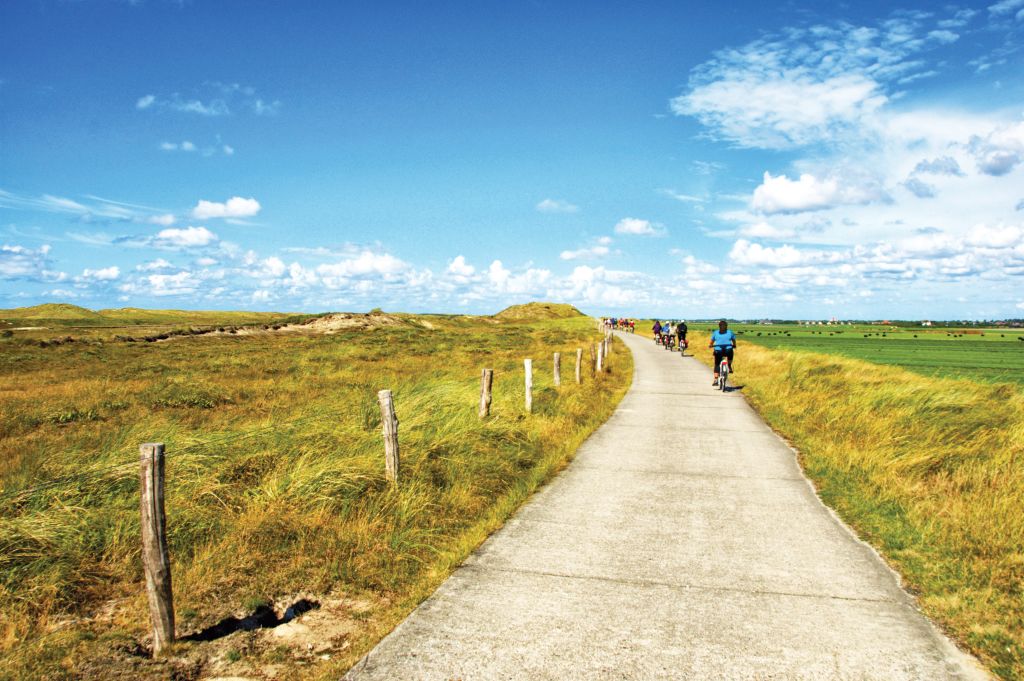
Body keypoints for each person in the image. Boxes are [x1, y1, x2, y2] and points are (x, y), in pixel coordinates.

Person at [708, 319, 737, 386]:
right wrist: (734, 345)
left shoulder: (716, 332)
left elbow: (711, 341)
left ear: (719, 326)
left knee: (717, 364)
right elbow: (733, 340)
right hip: (728, 349)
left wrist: (710, 345)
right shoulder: (730, 332)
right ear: (726, 326)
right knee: (730, 354)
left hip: (718, 350)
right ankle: (729, 366)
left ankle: (715, 379)